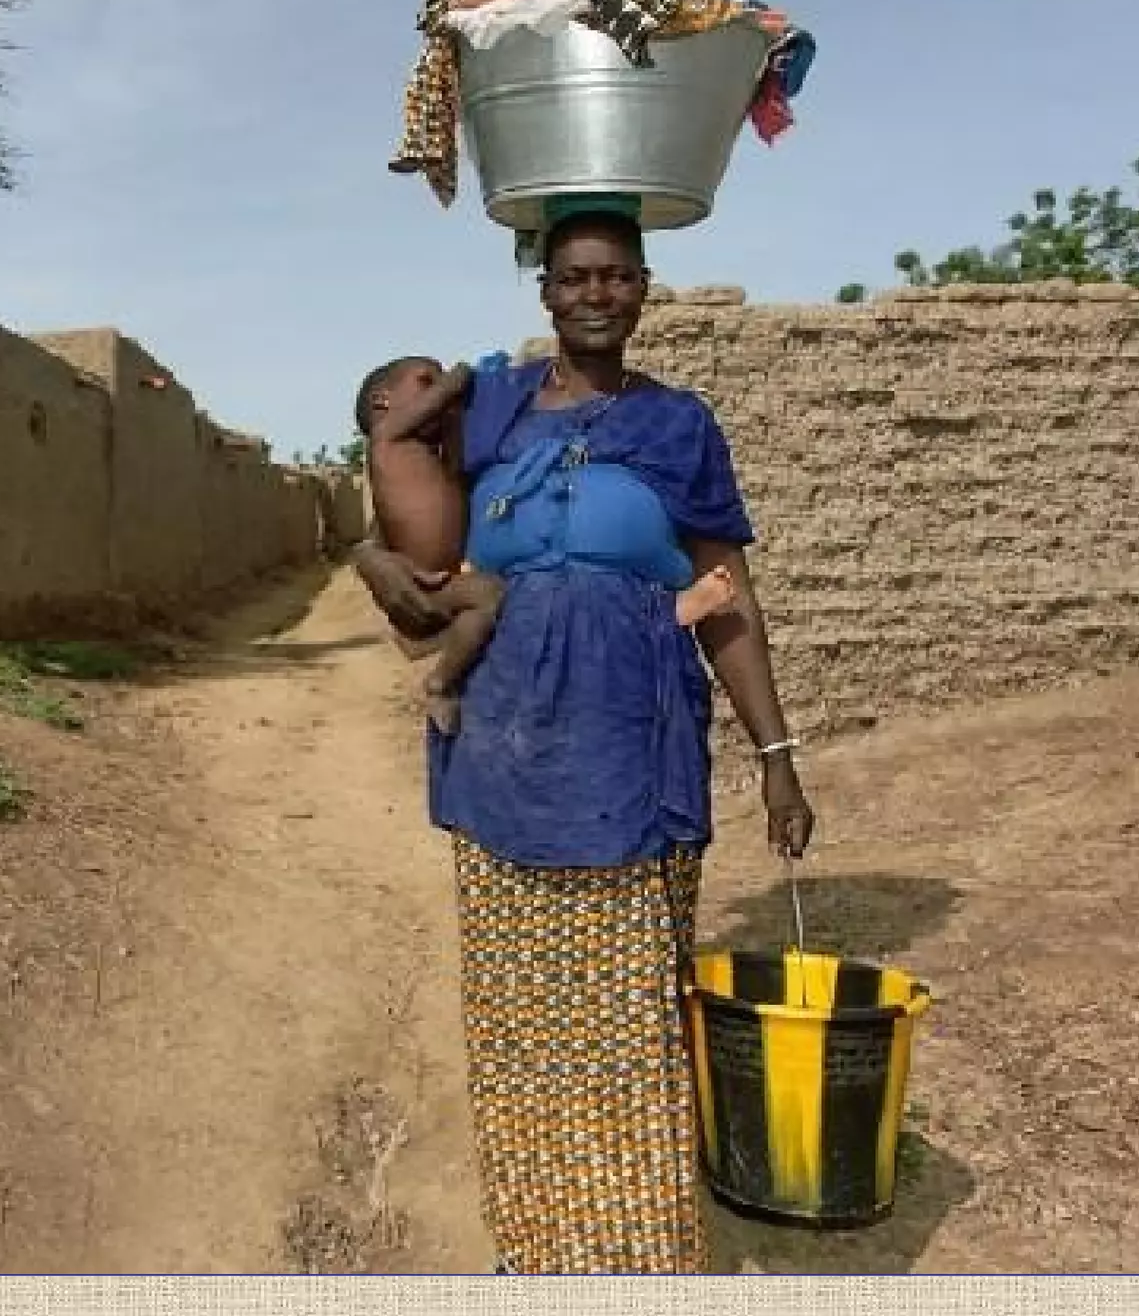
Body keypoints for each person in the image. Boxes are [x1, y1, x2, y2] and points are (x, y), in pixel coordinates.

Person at [349, 201, 816, 1276]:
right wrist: (373, 565)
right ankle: (540, 1244)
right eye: (574, 278)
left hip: (629, 746)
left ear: (642, 287)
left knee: (627, 1019)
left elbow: (727, 598)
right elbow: (396, 496)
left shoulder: (677, 426)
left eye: (615, 276)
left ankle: (637, 1256)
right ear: (545, 294)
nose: (595, 294)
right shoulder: (494, 405)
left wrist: (775, 755)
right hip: (506, 759)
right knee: (521, 1021)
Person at [355, 354, 739, 734]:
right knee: (491, 599)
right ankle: (441, 679)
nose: (439, 389)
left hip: (614, 675)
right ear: (382, 402)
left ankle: (659, 615)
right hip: (463, 616)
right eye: (426, 380)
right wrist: (460, 374)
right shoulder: (396, 435)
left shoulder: (445, 445)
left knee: (504, 597)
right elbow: (389, 521)